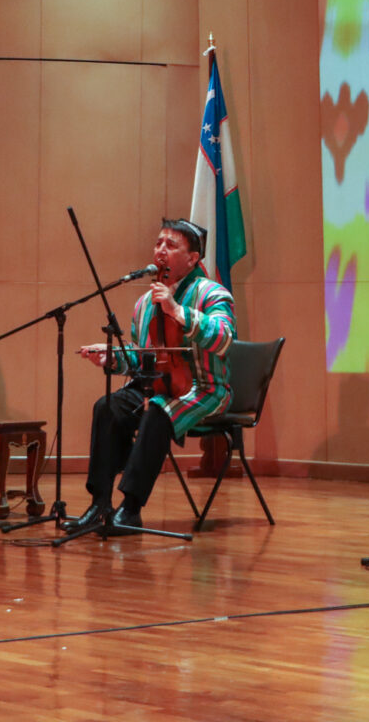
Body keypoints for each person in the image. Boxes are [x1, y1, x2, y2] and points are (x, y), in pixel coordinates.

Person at [66, 218, 235, 533]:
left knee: (157, 412)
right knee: (107, 407)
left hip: (204, 389)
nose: (160, 250)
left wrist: (177, 311)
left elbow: (225, 339)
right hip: (156, 384)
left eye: (171, 245)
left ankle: (131, 509)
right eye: (158, 243)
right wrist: (112, 357)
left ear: (193, 258)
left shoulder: (212, 293)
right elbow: (142, 356)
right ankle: (100, 502)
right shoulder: (144, 303)